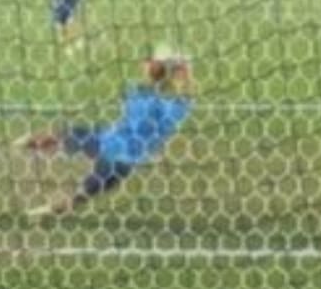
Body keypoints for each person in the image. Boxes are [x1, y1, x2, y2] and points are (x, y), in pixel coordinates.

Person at [18, 46, 194, 217]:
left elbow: (149, 79)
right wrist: (184, 73)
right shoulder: (171, 108)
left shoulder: (135, 92)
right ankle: (38, 212)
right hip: (121, 158)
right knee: (82, 193)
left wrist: (164, 67)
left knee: (62, 136)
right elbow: (184, 95)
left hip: (109, 144)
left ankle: (19, 144)